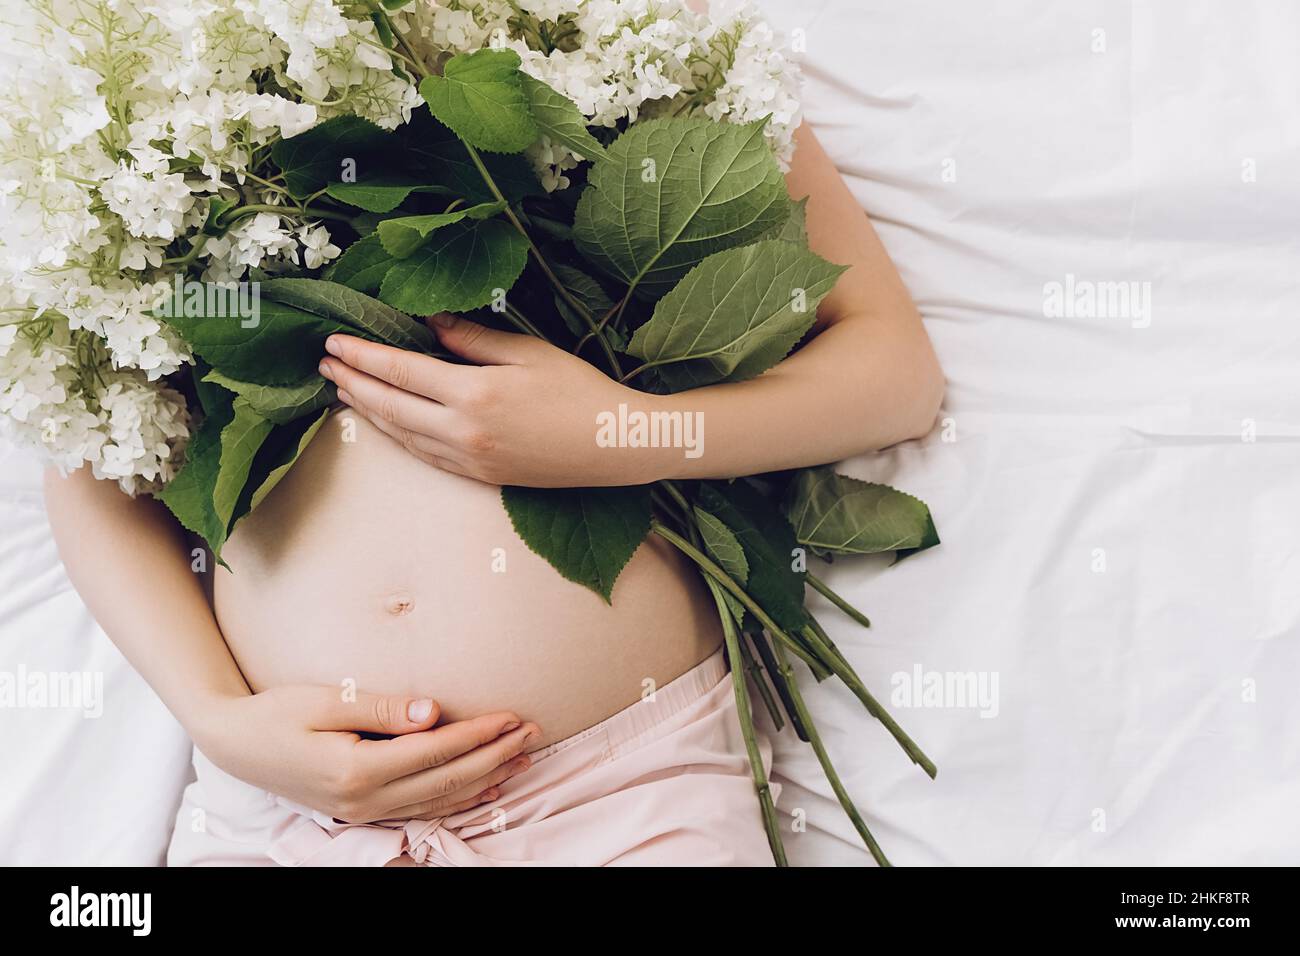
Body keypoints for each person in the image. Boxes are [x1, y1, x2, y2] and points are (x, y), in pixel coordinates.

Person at [43, 124, 943, 866]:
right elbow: (92, 449)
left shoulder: (639, 34)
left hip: (615, 801)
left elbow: (893, 374)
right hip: (291, 815)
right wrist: (218, 719)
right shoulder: (157, 94)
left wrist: (617, 433)